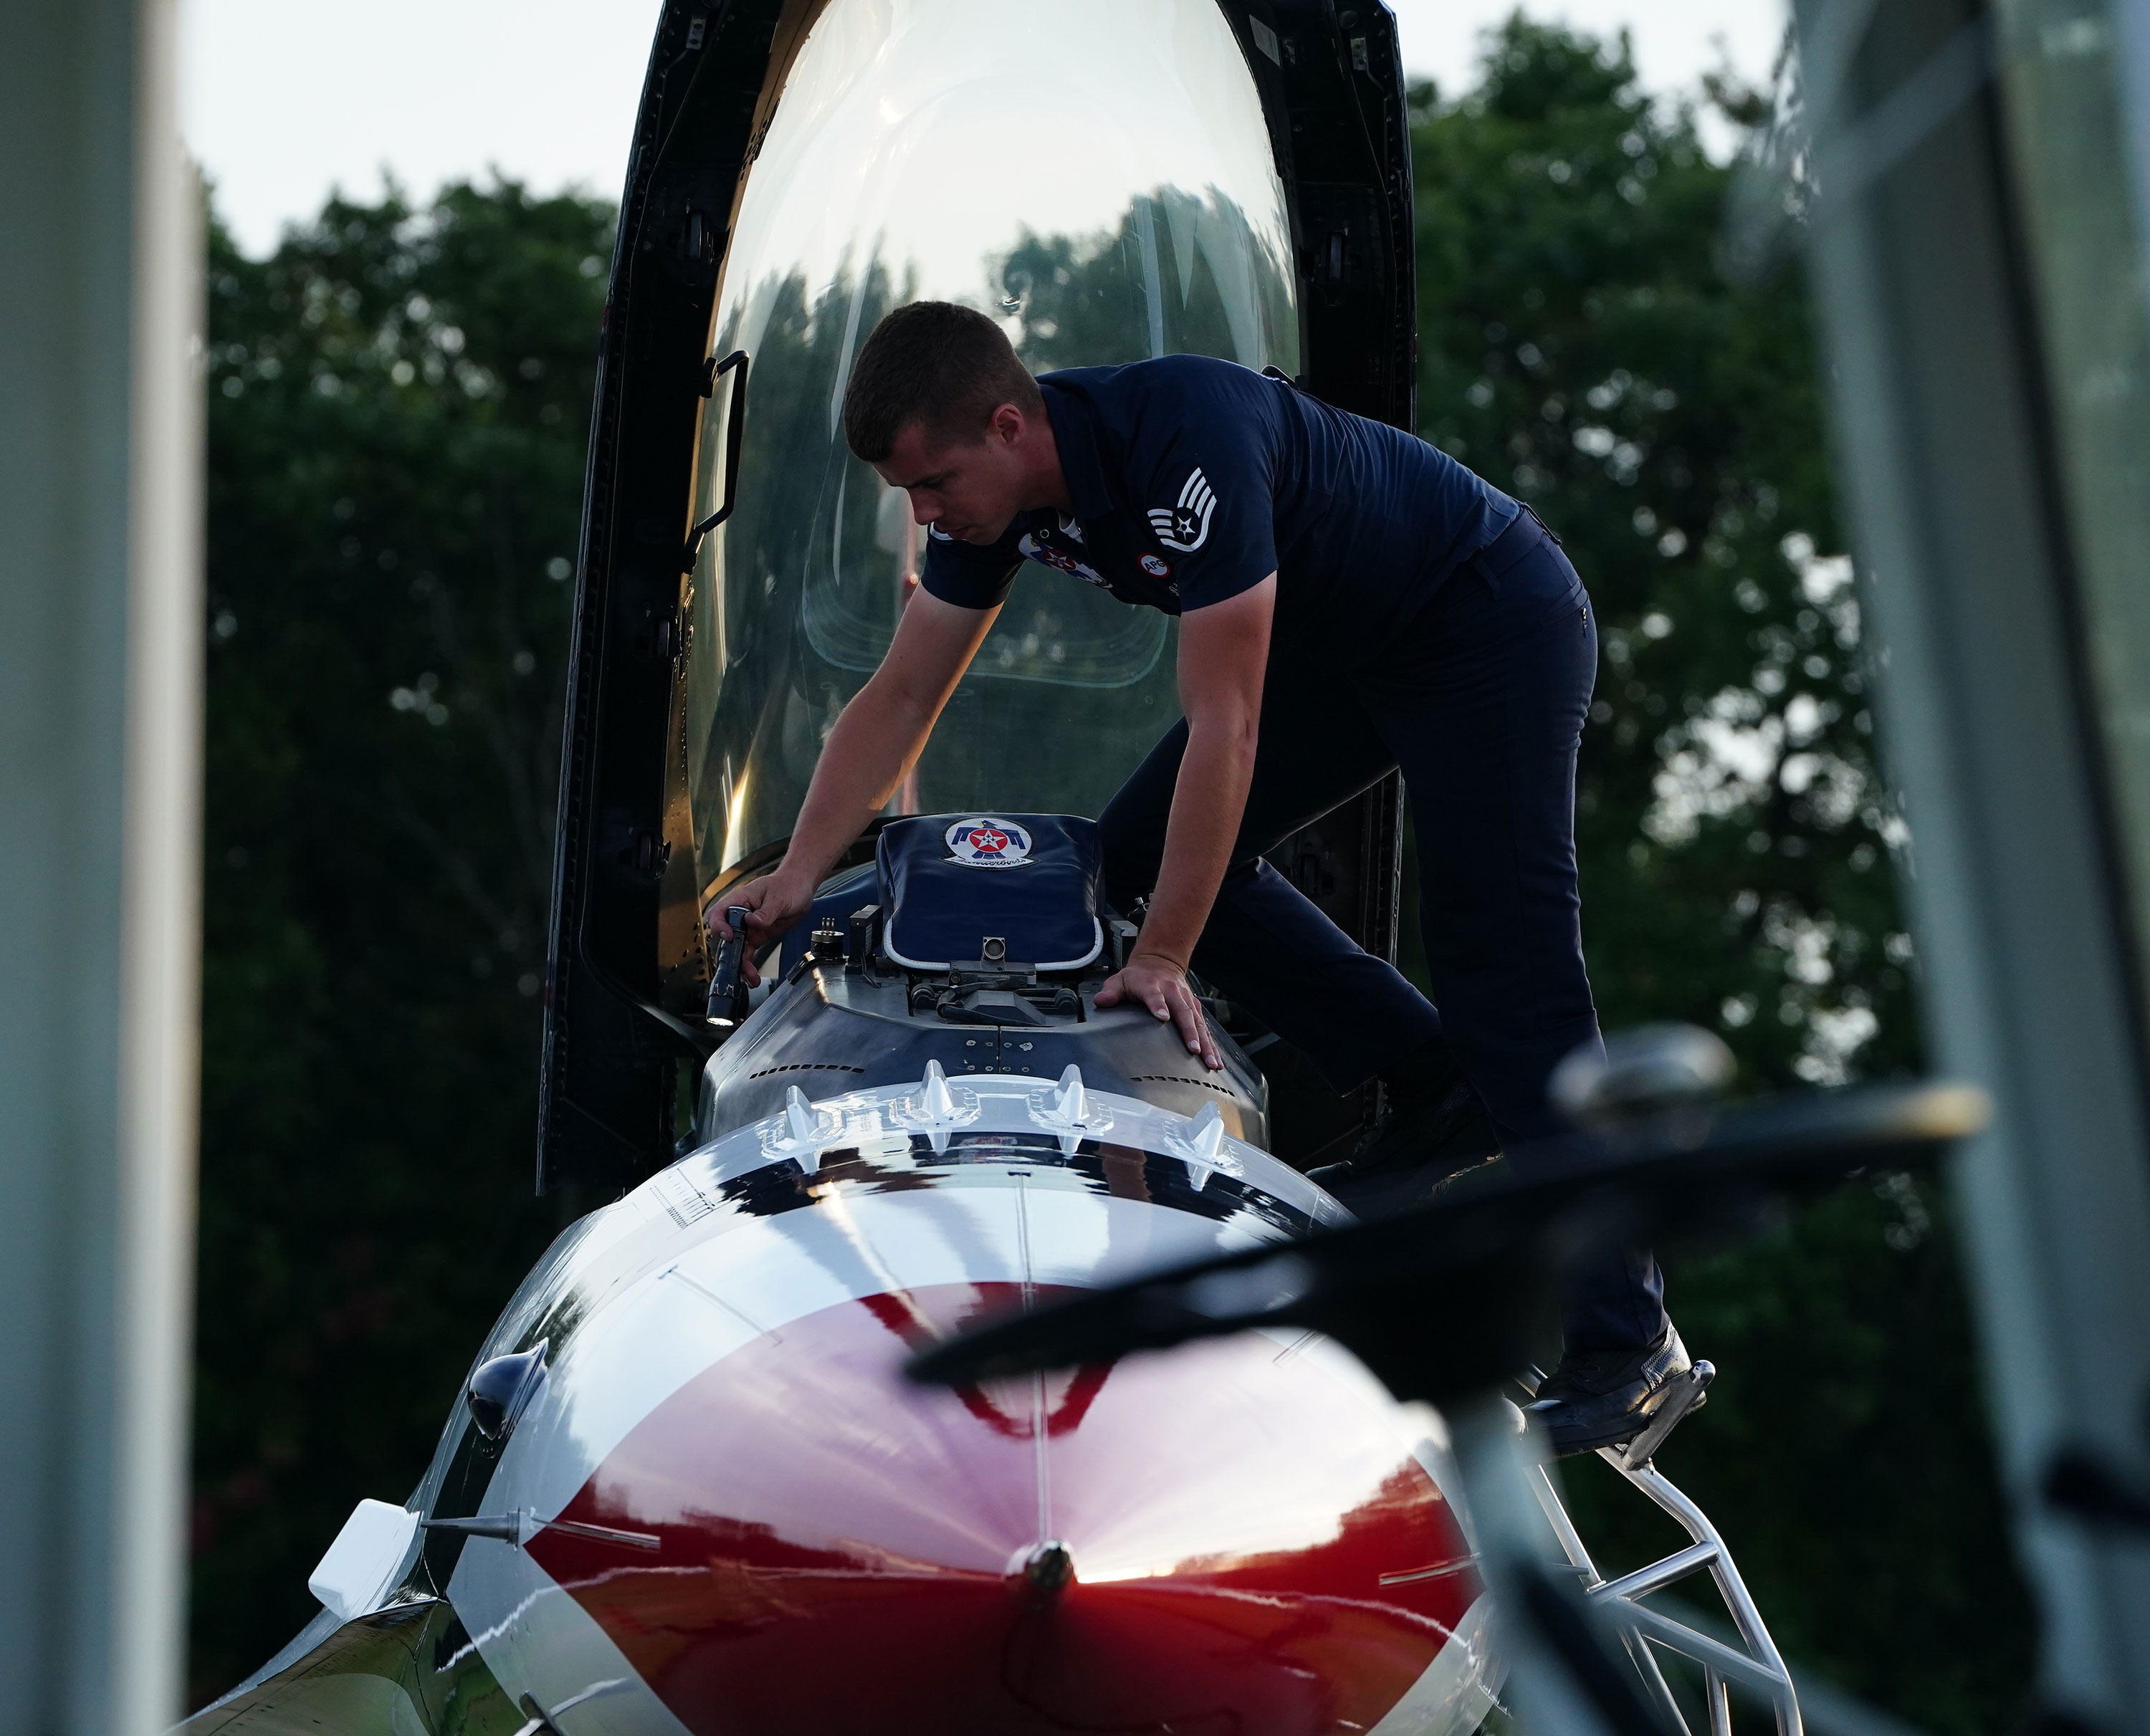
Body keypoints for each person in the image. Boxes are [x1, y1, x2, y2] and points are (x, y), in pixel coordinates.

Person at [715, 300, 1691, 1454]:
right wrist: (800, 876)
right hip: (1349, 646)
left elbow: (1224, 723)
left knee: (1507, 965)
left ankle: (1631, 1347)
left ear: (1009, 424)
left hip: (1481, 618)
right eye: (908, 496)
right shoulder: (994, 505)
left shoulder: (1184, 438)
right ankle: (1436, 1083)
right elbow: (902, 696)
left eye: (932, 483)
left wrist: (1164, 956)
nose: (925, 515)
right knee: (1126, 862)